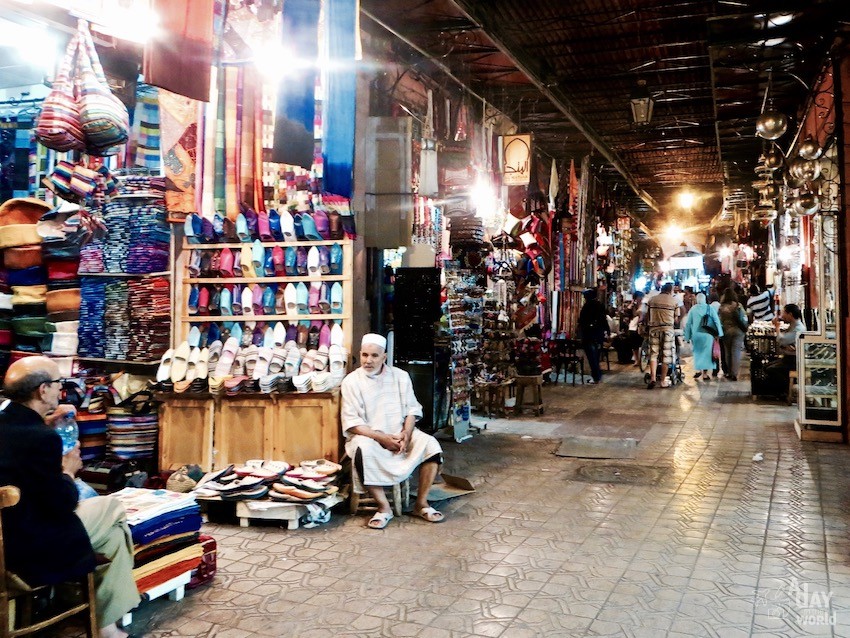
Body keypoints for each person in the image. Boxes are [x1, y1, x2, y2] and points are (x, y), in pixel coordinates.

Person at [0, 357, 140, 638]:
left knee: (113, 533)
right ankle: (107, 626)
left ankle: (107, 626)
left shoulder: (11, 424)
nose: (60, 391)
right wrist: (68, 472)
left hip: (7, 533)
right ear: (43, 390)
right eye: (58, 384)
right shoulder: (41, 439)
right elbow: (62, 503)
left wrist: (44, 424)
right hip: (27, 545)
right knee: (113, 509)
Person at [340, 333, 445, 529]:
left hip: (399, 434)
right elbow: (352, 422)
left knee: (431, 445)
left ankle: (421, 503)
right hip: (368, 436)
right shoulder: (351, 381)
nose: (368, 360)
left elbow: (412, 410)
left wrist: (406, 434)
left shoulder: (400, 376)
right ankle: (383, 507)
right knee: (363, 450)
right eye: (364, 355)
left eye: (374, 356)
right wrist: (381, 438)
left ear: (384, 357)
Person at [764, 304, 806, 396]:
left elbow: (782, 340)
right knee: (767, 366)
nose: (782, 316)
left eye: (784, 313)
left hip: (793, 360)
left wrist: (777, 328)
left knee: (771, 369)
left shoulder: (798, 328)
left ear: (790, 314)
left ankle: (785, 391)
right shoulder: (793, 326)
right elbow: (784, 342)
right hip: (788, 358)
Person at [644, 282, 679, 389]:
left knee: (653, 354)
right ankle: (663, 381)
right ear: (671, 290)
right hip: (668, 330)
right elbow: (676, 319)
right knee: (666, 356)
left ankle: (653, 378)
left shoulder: (652, 300)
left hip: (654, 329)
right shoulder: (674, 301)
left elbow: (647, 315)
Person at [683, 293, 723, 381]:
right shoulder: (710, 308)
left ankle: (698, 369)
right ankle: (705, 374)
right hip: (708, 335)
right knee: (706, 353)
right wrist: (719, 333)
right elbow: (716, 321)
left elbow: (688, 323)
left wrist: (687, 336)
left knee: (698, 352)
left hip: (696, 335)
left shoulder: (693, 309)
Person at [578, 288, 609, 383]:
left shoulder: (587, 306)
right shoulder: (600, 305)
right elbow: (604, 319)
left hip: (589, 334)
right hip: (598, 334)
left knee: (592, 357)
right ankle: (597, 376)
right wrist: (607, 330)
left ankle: (596, 376)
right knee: (596, 355)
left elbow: (582, 320)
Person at [718, 289, 748, 380]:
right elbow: (744, 317)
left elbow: (720, 320)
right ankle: (734, 373)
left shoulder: (722, 308)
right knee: (736, 352)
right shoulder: (738, 306)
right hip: (738, 331)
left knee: (728, 353)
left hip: (726, 331)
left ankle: (729, 372)